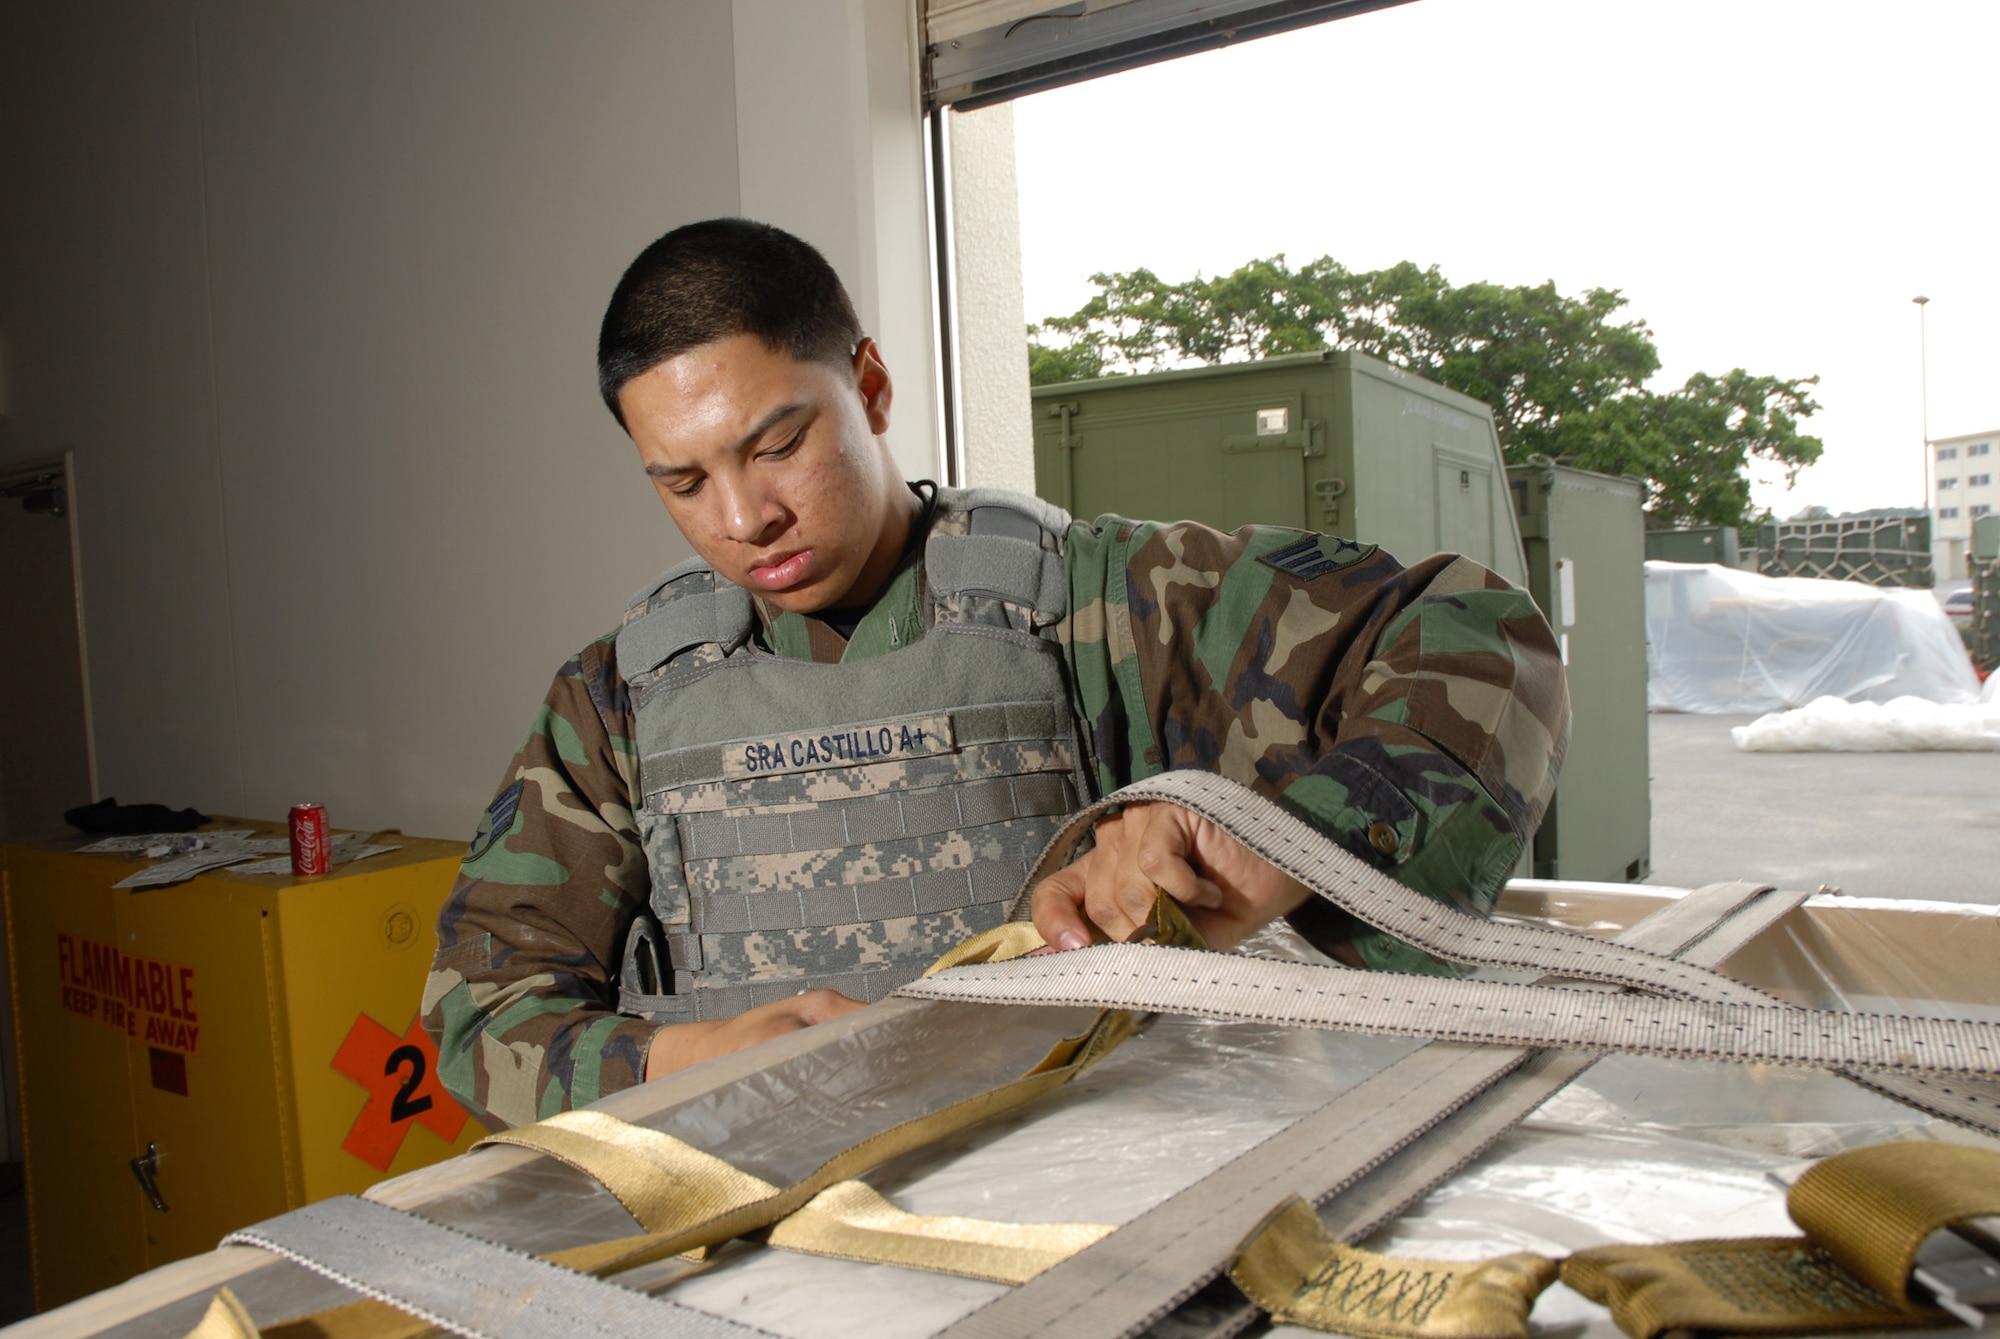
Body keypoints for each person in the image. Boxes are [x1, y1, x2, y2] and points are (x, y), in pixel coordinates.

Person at [423, 218, 1568, 1130]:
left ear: (869, 388)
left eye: (776, 445)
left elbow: (1476, 631)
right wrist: (681, 1056)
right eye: (681, 482)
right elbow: (479, 1013)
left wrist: (1266, 835)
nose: (742, 517)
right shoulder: (618, 699)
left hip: (1092, 1209)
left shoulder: (1109, 602)